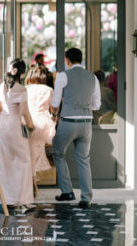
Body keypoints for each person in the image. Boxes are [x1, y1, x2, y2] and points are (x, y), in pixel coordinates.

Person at [51, 48, 99, 208]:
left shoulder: (63, 75)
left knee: (58, 153)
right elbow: (96, 105)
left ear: (67, 60)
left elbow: (55, 102)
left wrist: (54, 113)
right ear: (81, 59)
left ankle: (67, 191)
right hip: (86, 123)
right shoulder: (93, 77)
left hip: (68, 122)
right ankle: (86, 199)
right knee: (84, 160)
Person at [0, 58, 36, 210]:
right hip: (14, 124)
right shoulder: (21, 89)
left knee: (5, 162)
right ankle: (24, 200)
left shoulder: (2, 87)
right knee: (23, 160)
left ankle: (8, 199)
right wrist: (31, 127)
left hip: (2, 125)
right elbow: (25, 112)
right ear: (23, 73)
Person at [25, 65, 55, 184]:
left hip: (29, 122)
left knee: (29, 152)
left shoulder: (25, 89)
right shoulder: (48, 90)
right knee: (37, 150)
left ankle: (31, 181)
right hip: (43, 123)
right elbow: (52, 109)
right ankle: (33, 180)